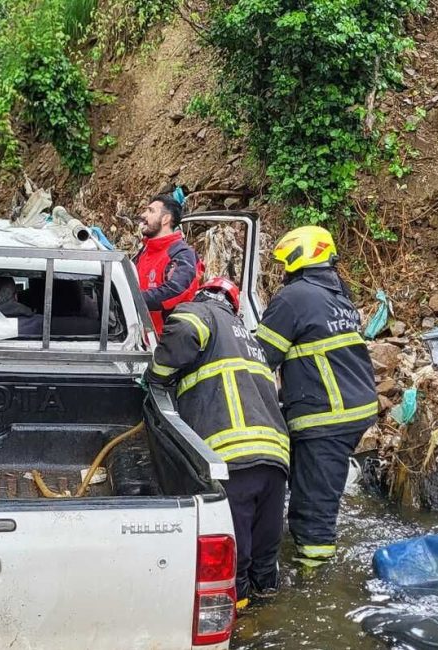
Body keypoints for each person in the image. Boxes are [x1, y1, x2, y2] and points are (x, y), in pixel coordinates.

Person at [147, 277, 290, 607]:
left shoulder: (201, 313)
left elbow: (181, 332)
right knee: (266, 557)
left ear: (203, 295)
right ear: (235, 306)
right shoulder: (250, 341)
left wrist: (156, 376)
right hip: (274, 458)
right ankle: (269, 609)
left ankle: (239, 623)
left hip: (233, 459)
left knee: (232, 559)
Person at [255, 226, 378, 567]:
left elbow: (260, 357)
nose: (282, 271)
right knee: (315, 490)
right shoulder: (336, 294)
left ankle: (315, 579)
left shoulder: (294, 298)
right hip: (353, 407)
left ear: (297, 257)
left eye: (284, 264)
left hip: (327, 416)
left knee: (313, 509)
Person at [134, 193, 203, 333]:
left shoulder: (183, 254)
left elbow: (175, 290)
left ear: (165, 219)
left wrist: (131, 298)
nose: (143, 215)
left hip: (169, 341)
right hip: (141, 337)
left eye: (150, 211)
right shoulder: (144, 251)